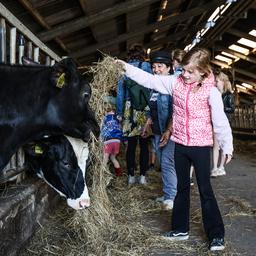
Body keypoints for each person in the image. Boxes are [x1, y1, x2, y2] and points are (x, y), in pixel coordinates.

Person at [116, 47, 233, 251]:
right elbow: (150, 80)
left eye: (190, 72)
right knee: (181, 188)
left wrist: (227, 145)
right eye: (184, 70)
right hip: (180, 144)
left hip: (201, 147)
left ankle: (216, 235)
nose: (184, 74)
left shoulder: (211, 92)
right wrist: (125, 68)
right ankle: (180, 229)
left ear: (203, 72)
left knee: (205, 190)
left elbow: (220, 121)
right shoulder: (175, 83)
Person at [144, 49, 177, 210]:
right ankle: (167, 193)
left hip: (171, 131)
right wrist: (148, 121)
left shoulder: (172, 87)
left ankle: (171, 196)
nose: (156, 70)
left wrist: (169, 130)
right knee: (162, 163)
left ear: (169, 68)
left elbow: (176, 112)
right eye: (154, 67)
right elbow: (152, 108)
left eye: (160, 66)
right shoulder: (154, 86)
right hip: (157, 130)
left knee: (167, 162)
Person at [116, 44, 152, 185]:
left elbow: (120, 93)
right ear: (143, 54)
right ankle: (142, 176)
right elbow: (151, 88)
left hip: (129, 110)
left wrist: (119, 113)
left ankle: (131, 176)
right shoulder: (147, 66)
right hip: (144, 109)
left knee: (131, 146)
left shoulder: (124, 68)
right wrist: (151, 112)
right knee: (144, 145)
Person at [211, 71, 234, 177]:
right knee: (216, 145)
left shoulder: (228, 95)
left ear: (223, 82)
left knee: (223, 145)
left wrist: (221, 108)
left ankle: (221, 166)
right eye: (215, 81)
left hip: (225, 122)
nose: (216, 83)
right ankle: (214, 168)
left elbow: (232, 108)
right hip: (216, 122)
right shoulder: (215, 92)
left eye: (217, 81)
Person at [100, 103, 123, 177]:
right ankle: (119, 174)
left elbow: (101, 128)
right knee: (113, 158)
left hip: (108, 140)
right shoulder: (118, 117)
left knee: (105, 158)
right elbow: (120, 126)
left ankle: (102, 175)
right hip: (117, 140)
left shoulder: (105, 118)